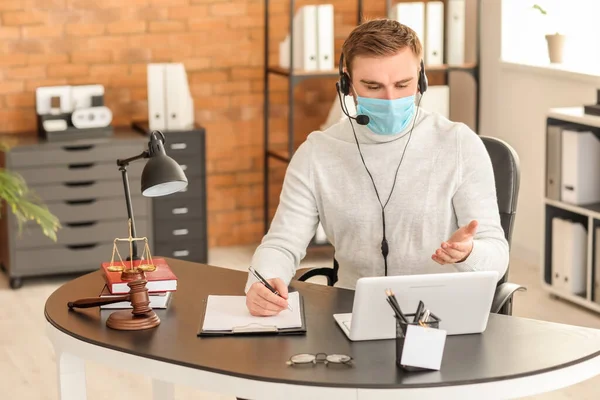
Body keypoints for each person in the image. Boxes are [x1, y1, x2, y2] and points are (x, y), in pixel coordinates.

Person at [245, 18, 509, 316]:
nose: (390, 99)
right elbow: (281, 244)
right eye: (372, 86)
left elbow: (497, 257)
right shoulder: (317, 153)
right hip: (353, 311)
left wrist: (469, 253)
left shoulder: (458, 144)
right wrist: (262, 283)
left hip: (442, 315)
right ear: (347, 84)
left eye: (402, 84)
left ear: (421, 80)